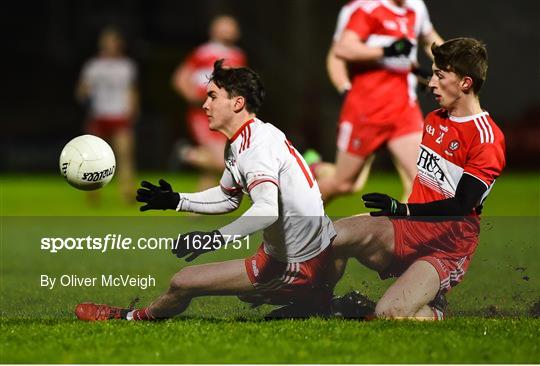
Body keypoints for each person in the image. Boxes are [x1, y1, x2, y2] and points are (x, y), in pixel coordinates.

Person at [75, 60, 336, 321]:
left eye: (212, 96)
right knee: (247, 293)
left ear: (237, 103)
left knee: (183, 282)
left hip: (296, 263)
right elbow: (227, 197)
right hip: (302, 249)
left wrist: (212, 239)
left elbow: (267, 210)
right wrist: (176, 200)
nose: (204, 105)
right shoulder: (247, 139)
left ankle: (129, 316)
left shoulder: (255, 148)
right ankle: (314, 300)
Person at [328, 37, 506, 320]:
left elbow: (462, 205)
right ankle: (319, 303)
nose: (431, 83)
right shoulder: (434, 119)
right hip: (409, 229)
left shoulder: (486, 138)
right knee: (332, 236)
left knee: (389, 312)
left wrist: (404, 209)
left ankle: (435, 309)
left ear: (465, 83)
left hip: (446, 248)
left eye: (439, 75)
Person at [310, 0, 443, 203]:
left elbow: (427, 40)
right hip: (367, 109)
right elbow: (340, 51)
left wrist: (454, 62)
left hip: (403, 107)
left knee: (425, 180)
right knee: (346, 184)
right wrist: (344, 87)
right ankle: (294, 218)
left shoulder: (415, 6)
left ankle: (403, 234)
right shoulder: (363, 9)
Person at [172, 15, 247, 190]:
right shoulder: (203, 52)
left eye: (232, 27)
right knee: (223, 162)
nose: (231, 30)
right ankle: (186, 154)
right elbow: (180, 78)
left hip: (226, 115)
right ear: (215, 30)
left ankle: (195, 211)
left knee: (212, 169)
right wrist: (195, 97)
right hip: (203, 114)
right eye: (227, 26)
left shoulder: (238, 55)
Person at [76, 27, 139, 204]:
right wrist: (85, 95)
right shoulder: (93, 66)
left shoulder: (126, 65)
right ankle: (92, 191)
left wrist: (133, 109)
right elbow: (82, 90)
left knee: (125, 155)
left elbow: (132, 90)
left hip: (120, 115)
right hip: (99, 115)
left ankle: (127, 191)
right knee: (95, 158)